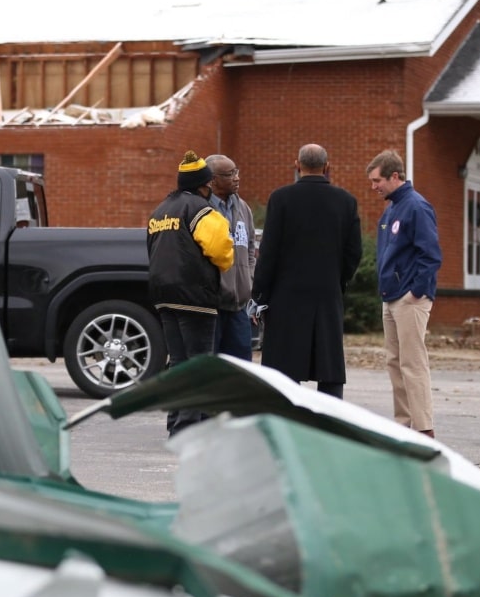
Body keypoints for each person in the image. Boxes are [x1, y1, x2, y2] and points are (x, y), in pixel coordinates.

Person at [251, 143, 362, 399]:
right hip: (327, 293)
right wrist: (338, 280)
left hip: (285, 296)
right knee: (329, 364)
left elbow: (269, 252)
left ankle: (287, 421)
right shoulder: (346, 201)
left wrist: (260, 295)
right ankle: (329, 421)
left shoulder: (280, 199)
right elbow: (353, 252)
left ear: (297, 165)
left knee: (284, 364)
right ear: (327, 167)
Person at [147, 150, 234, 436]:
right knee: (198, 365)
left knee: (178, 364)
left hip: (163, 294)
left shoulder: (160, 210)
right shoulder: (202, 210)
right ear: (204, 185)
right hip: (195, 296)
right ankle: (188, 430)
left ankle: (176, 426)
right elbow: (221, 251)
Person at [366, 149, 443, 438]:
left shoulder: (416, 206)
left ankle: (423, 429)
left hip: (409, 298)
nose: (374, 187)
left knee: (413, 363)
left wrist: (416, 292)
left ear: (394, 176)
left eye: (377, 181)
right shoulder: (392, 208)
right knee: (394, 362)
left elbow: (431, 254)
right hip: (390, 295)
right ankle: (404, 424)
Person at [205, 153, 256, 360]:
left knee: (240, 370)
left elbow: (251, 249)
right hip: (211, 307)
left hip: (238, 307)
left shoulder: (243, 208)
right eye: (229, 174)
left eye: (236, 172)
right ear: (212, 180)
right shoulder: (201, 208)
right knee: (208, 369)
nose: (236, 178)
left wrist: (249, 280)